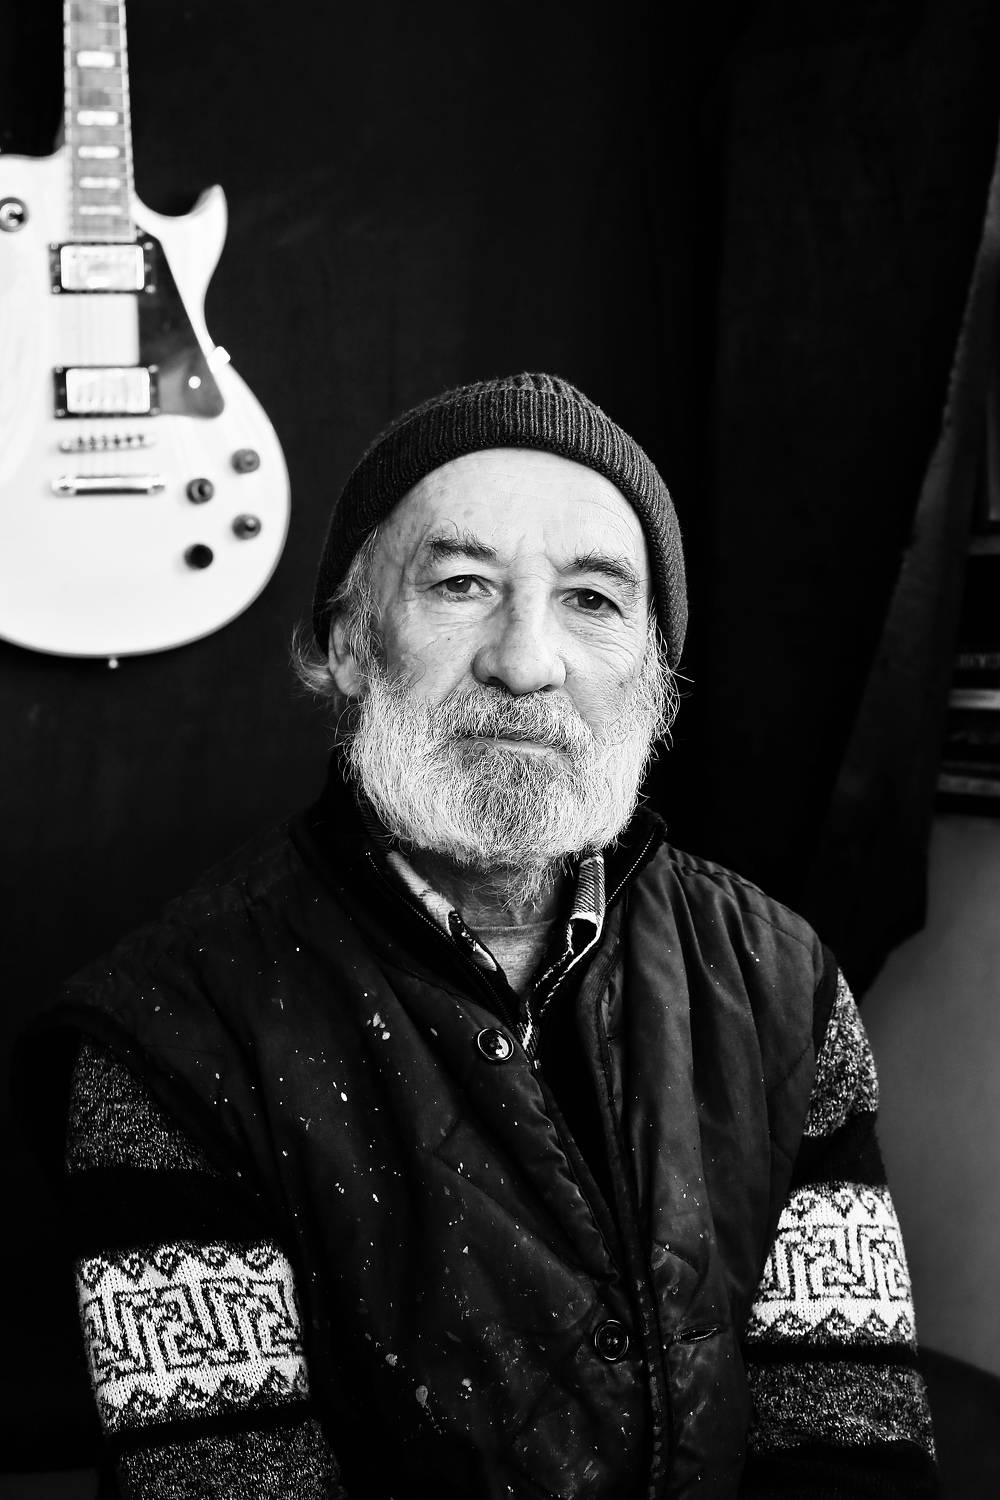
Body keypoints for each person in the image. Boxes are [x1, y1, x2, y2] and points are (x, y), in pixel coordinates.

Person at [20, 373, 938, 1498]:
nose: (526, 659)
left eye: (592, 600)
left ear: (655, 676)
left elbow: (850, 1437)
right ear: (348, 644)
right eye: (461, 584)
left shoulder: (783, 982)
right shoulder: (164, 1038)